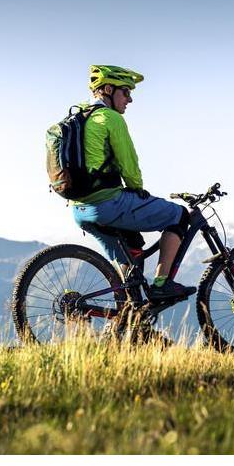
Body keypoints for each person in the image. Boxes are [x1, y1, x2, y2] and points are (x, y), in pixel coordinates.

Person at [71, 64, 195, 301]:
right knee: (179, 215)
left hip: (81, 210)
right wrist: (137, 189)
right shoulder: (110, 118)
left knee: (132, 250)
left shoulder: (80, 118)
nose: (130, 99)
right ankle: (162, 284)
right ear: (108, 89)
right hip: (108, 204)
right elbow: (129, 166)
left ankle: (132, 318)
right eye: (126, 92)